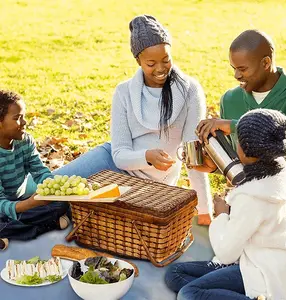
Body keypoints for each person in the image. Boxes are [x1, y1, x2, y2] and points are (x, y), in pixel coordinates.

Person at [53, 15, 212, 224]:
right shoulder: (124, 92)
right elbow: (119, 155)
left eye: (166, 59)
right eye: (151, 63)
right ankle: (12, 210)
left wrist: (204, 211)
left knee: (78, 209)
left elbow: (193, 156)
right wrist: (146, 156)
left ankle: (60, 216)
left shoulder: (190, 91)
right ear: (138, 60)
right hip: (112, 163)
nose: (161, 68)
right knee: (50, 188)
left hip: (149, 186)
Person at [165, 109, 286, 300]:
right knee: (175, 274)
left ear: (245, 150)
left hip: (259, 273)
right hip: (275, 265)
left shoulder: (251, 197)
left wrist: (222, 215)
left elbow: (226, 253)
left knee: (189, 293)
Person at [194, 29, 286, 261]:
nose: (236, 76)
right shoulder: (230, 99)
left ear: (266, 62)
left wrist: (234, 126)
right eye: (234, 68)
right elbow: (242, 160)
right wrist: (215, 164)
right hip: (247, 204)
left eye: (242, 69)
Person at [0, 90, 70, 250]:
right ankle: (45, 224)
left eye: (23, 116)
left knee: (63, 203)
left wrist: (54, 190)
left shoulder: (25, 141)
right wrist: (29, 205)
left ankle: (10, 232)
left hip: (20, 200)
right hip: (4, 206)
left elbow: (40, 171)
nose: (24, 122)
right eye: (17, 118)